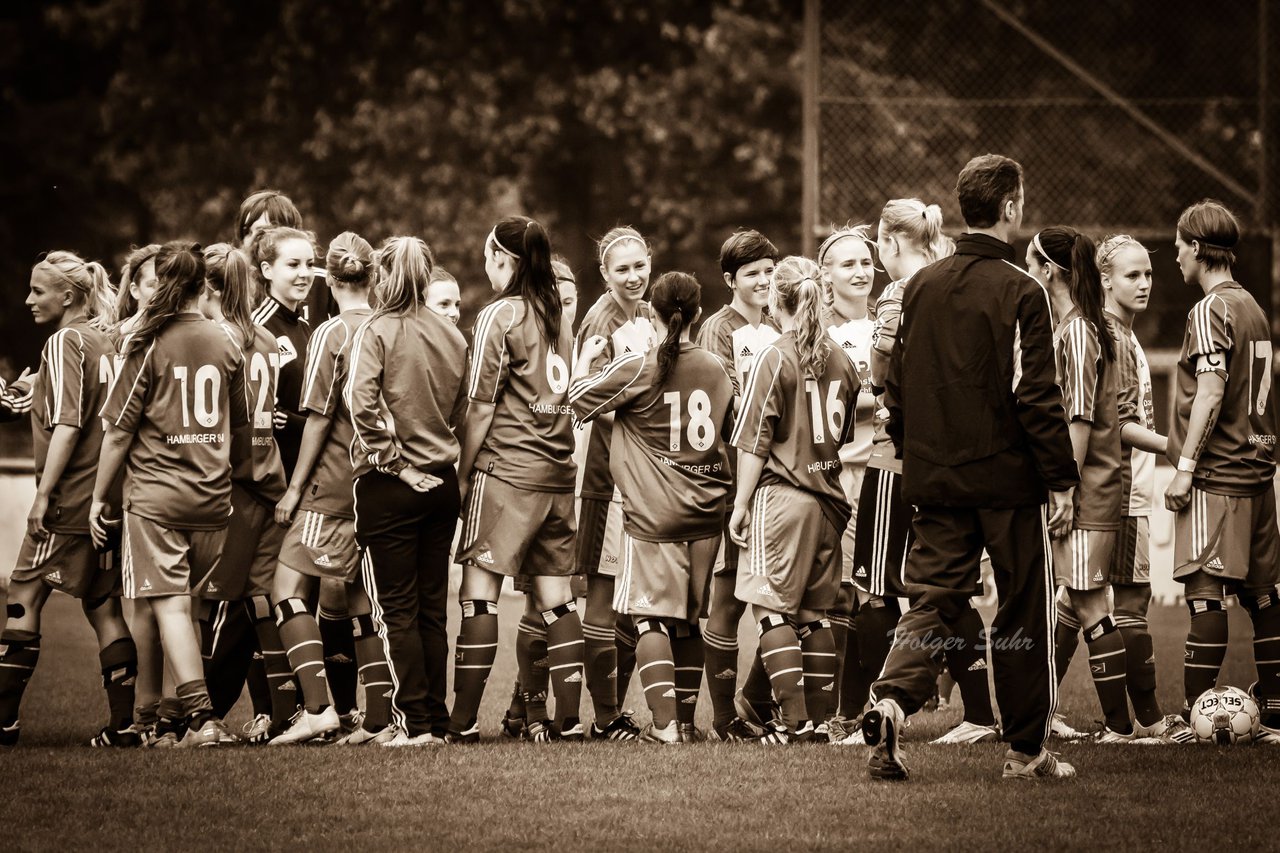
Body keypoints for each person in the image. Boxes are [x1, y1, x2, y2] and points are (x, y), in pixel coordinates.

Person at [862, 154, 1079, 780]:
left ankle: (892, 703)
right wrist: (1060, 478)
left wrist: (908, 447)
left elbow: (895, 386)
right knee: (1021, 605)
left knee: (930, 600)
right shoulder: (1023, 290)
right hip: (1007, 482)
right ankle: (1025, 751)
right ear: (1011, 207)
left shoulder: (921, 286)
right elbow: (1036, 396)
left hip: (933, 477)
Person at [92, 241, 249, 748]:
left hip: (158, 497)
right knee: (179, 607)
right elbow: (239, 426)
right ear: (203, 287)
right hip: (212, 497)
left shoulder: (149, 342)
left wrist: (99, 497)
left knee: (170, 607)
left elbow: (117, 431)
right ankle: (162, 722)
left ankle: (201, 720)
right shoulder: (227, 340)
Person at [570, 271, 734, 743]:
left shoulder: (639, 365)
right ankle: (684, 722)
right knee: (686, 619)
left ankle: (664, 728)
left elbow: (576, 399)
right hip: (708, 512)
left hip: (653, 514)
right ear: (698, 314)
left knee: (649, 618)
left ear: (653, 315)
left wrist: (586, 361)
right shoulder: (716, 367)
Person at [449, 216, 584, 743]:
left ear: (502, 258)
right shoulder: (557, 315)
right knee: (558, 598)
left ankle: (459, 725)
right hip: (556, 474)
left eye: (489, 255)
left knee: (478, 596)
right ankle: (569, 722)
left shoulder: (499, 314)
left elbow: (481, 407)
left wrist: (462, 475)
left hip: (506, 471)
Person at [0, 251, 137, 748]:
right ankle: (123, 727)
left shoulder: (64, 342)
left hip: (68, 500)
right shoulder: (105, 341)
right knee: (103, 607)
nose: (29, 300)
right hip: (106, 498)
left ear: (68, 296)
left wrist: (41, 497)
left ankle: (4, 722)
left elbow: (68, 425)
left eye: (38, 291)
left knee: (22, 598)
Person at [729, 255, 861, 744]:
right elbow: (843, 435)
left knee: (769, 612)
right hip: (830, 500)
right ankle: (821, 723)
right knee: (811, 614)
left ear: (775, 298)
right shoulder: (843, 359)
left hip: (783, 499)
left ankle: (794, 723)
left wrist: (741, 505)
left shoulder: (775, 355)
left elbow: (754, 440)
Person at [1162, 200, 1280, 742]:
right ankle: (1275, 712)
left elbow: (1210, 391)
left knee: (1206, 596)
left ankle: (1195, 719)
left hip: (1221, 473)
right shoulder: (1252, 305)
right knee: (1264, 596)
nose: (1175, 257)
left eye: (1179, 246)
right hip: (1258, 470)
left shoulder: (1210, 310)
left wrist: (1186, 467)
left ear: (1195, 246)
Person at [273, 232, 396, 745]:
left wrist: (293, 488)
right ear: (371, 275)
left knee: (285, 589)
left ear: (329, 275)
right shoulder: (390, 328)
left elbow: (319, 421)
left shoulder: (330, 334)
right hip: (380, 485)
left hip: (333, 489)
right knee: (365, 601)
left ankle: (319, 707)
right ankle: (378, 717)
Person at [344, 235, 468, 747]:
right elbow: (463, 406)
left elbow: (360, 403)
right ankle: (434, 722)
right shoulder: (452, 334)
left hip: (391, 486)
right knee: (432, 609)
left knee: (396, 609)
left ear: (382, 275)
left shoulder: (376, 329)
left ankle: (413, 724)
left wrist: (395, 463)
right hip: (443, 483)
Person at [1028, 226, 1134, 743]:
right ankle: (1045, 712)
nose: (1029, 272)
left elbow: (1079, 418)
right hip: (1092, 484)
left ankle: (1120, 726)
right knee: (1074, 600)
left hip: (1087, 487)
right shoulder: (1085, 326)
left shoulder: (1077, 331)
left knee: (1090, 603)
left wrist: (1063, 489)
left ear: (1049, 270)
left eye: (1032, 263)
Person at [193, 243, 297, 742]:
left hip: (234, 484)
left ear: (208, 287)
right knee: (260, 601)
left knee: (217, 605)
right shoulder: (266, 338)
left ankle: (195, 713)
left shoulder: (219, 340)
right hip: (270, 480)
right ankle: (282, 710)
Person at [1096, 234, 1193, 743]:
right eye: (1132, 275)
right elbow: (1119, 422)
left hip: (1107, 489)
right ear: (1105, 280)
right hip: (1125, 492)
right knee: (1132, 605)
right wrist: (1176, 447)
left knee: (1078, 606)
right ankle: (1149, 722)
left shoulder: (1119, 333)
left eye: (1149, 274)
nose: (1145, 283)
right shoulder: (1114, 337)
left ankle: (1042, 713)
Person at [572, 226, 658, 740]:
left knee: (632, 599)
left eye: (639, 266)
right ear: (604, 274)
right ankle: (603, 717)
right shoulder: (599, 323)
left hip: (642, 479)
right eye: (621, 269)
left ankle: (611, 711)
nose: (633, 277)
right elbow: (591, 404)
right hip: (606, 479)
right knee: (603, 597)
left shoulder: (648, 316)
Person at [695, 229, 779, 742]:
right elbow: (728, 408)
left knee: (777, 598)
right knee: (728, 600)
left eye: (770, 271)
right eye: (753, 274)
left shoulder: (778, 322)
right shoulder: (718, 330)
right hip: (730, 480)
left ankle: (756, 700)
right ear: (730, 280)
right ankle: (725, 720)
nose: (765, 281)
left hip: (776, 478)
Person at [501, 253, 581, 739]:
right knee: (544, 603)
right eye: (557, 298)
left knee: (554, 603)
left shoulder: (577, 339)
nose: (562, 308)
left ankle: (525, 712)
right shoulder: (530, 336)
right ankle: (531, 713)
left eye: (570, 300)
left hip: (576, 482)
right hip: (545, 480)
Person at [815, 224, 878, 742]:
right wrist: (883, 397)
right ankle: (839, 712)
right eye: (847, 264)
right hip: (838, 477)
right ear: (825, 275)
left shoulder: (884, 326)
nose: (860, 272)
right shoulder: (822, 335)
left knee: (873, 594)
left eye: (865, 262)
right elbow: (822, 405)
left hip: (884, 474)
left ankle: (860, 706)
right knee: (838, 594)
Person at [111, 244, 161, 342]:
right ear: (135, 290)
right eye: (153, 285)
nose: (161, 292)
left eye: (166, 285)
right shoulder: (115, 338)